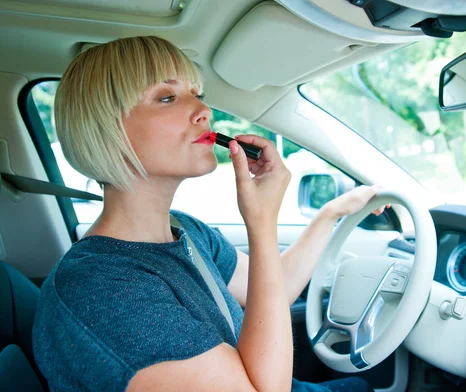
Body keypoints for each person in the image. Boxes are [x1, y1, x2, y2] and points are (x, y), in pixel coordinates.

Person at [32, 36, 387, 392]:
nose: (205, 111)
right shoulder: (99, 290)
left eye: (197, 94)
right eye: (167, 97)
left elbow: (275, 287)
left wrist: (331, 213)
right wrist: (261, 222)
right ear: (104, 127)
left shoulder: (185, 230)